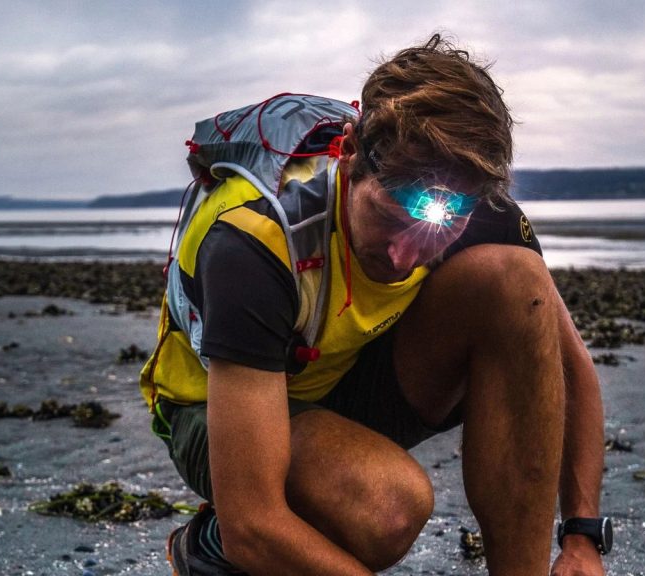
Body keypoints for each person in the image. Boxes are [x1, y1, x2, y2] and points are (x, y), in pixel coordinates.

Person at [140, 34, 609, 576]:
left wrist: (582, 537)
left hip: (350, 372)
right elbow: (255, 524)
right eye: (389, 216)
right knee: (387, 507)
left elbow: (570, 370)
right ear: (348, 155)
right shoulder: (254, 241)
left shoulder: (473, 205)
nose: (405, 253)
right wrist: (244, 534)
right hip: (215, 408)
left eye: (437, 225)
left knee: (517, 281)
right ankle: (207, 547)